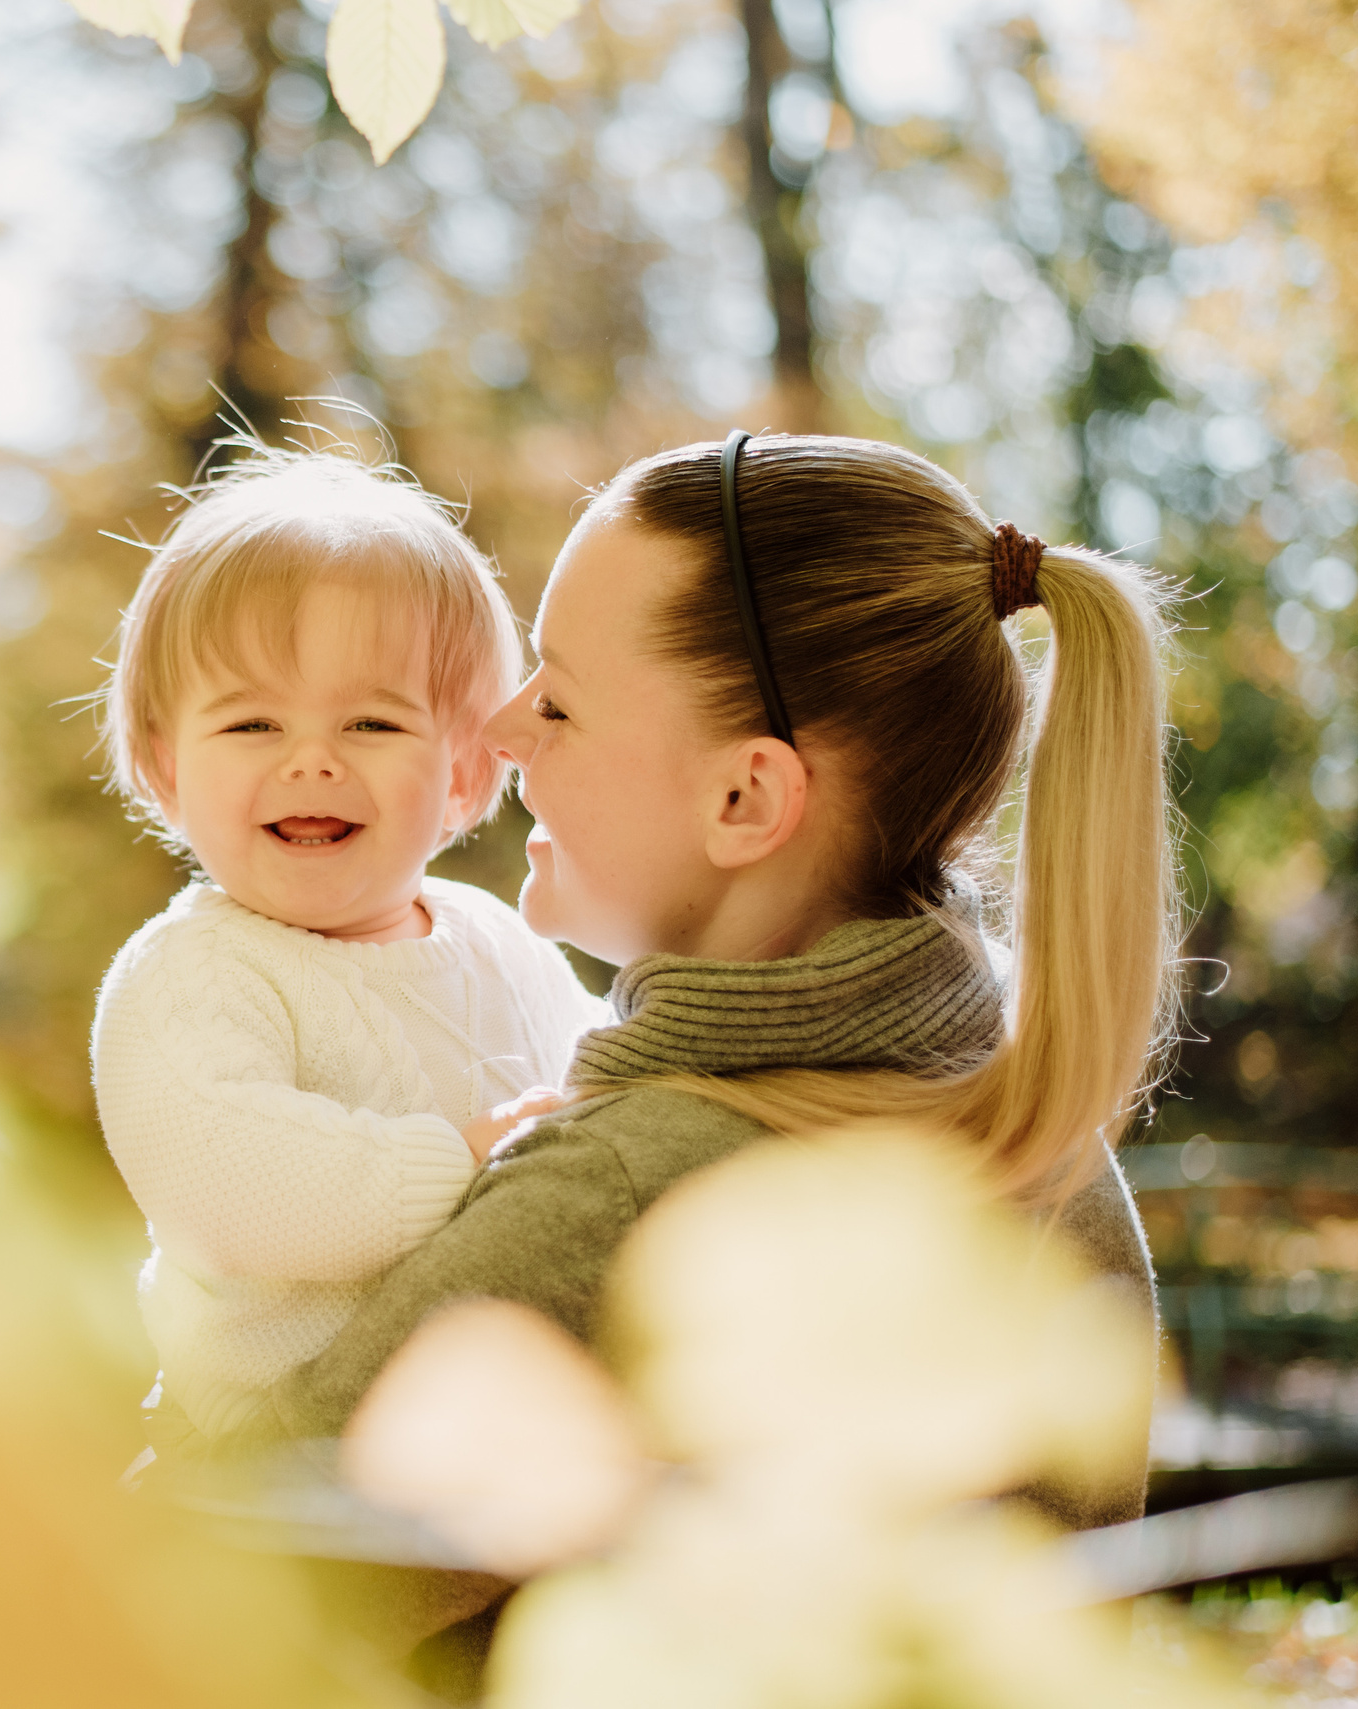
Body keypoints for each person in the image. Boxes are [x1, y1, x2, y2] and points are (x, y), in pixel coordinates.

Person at [209, 431, 1168, 1538]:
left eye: (557, 703)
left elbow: (220, 1574)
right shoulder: (1039, 1131)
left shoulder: (623, 1185)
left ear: (745, 801)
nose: (500, 727)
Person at [91, 448, 609, 1443]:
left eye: (371, 721)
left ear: (461, 772)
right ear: (165, 766)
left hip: (471, 1427)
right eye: (251, 722)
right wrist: (459, 1159)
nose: (312, 757)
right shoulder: (190, 976)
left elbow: (592, 1064)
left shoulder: (498, 939)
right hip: (268, 1457)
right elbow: (230, 1178)